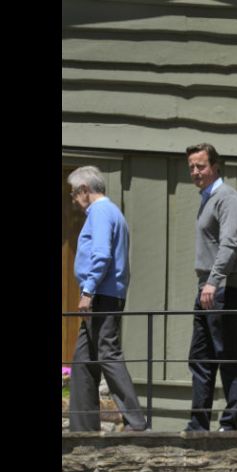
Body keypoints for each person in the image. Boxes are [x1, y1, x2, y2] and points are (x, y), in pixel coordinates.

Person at [67, 165, 147, 432]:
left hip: (102, 295)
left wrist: (87, 291)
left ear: (84, 190)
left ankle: (136, 422)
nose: (73, 199)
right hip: (104, 294)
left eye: (73, 193)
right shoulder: (111, 211)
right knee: (82, 361)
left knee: (107, 354)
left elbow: (101, 254)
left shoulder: (100, 212)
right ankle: (83, 428)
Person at [184, 143, 237, 432]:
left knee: (228, 354)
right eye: (192, 167)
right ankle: (198, 423)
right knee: (200, 357)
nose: (196, 172)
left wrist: (214, 280)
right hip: (206, 288)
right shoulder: (207, 198)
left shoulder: (227, 197)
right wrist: (206, 284)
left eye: (201, 166)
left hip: (223, 288)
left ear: (215, 166)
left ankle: (230, 422)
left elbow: (230, 243)